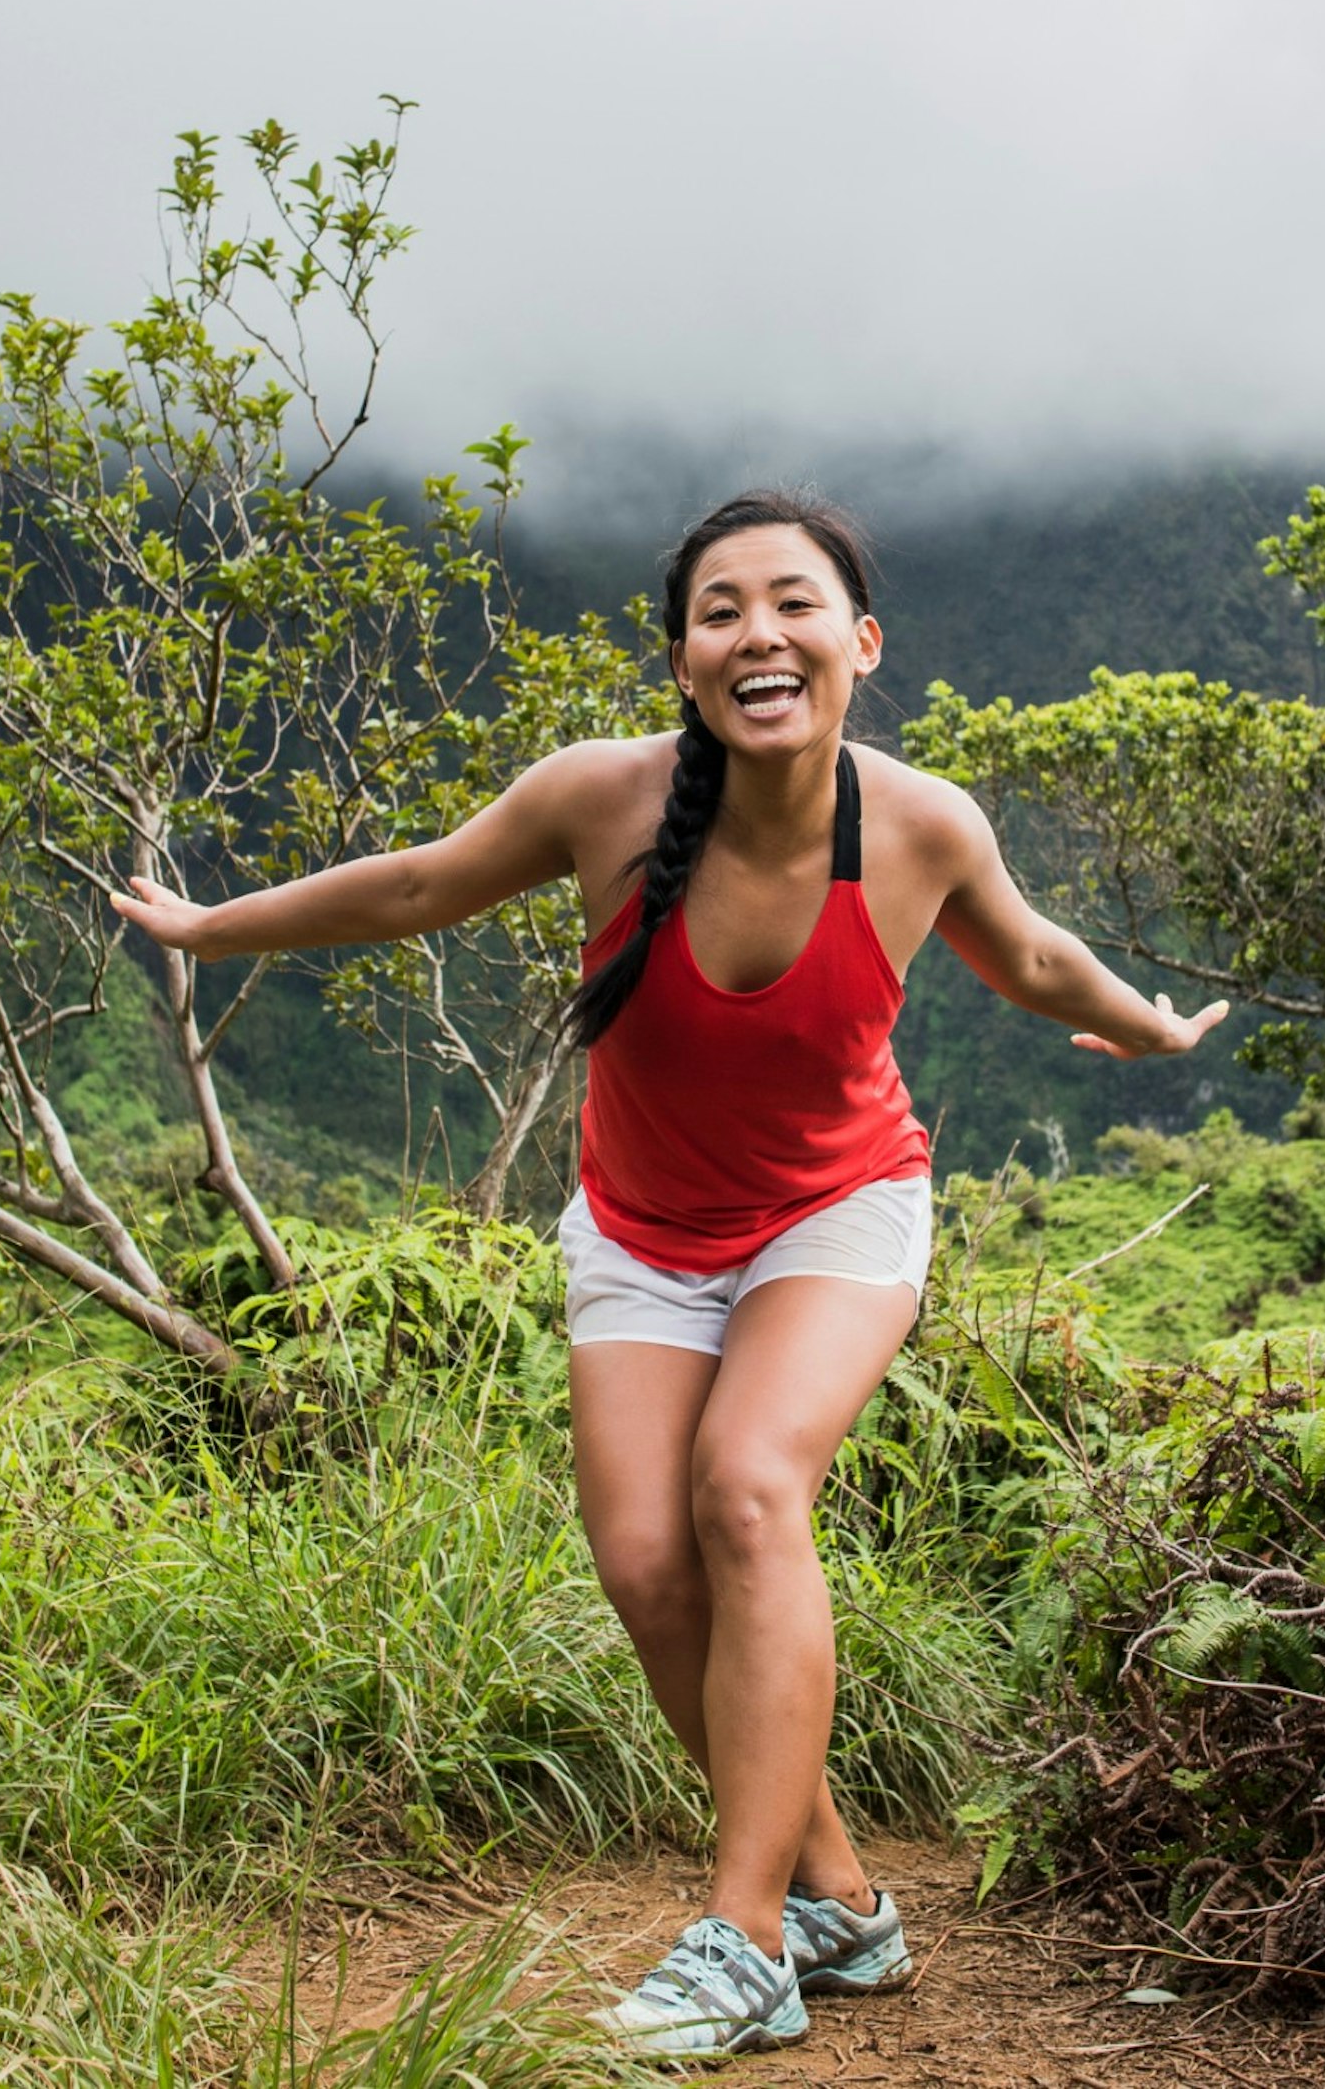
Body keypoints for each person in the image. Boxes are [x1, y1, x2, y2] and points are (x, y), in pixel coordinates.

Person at [112, 489, 1227, 2059]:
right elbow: (421, 885)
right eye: (720, 612)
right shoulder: (603, 805)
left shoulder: (919, 826)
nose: (758, 635)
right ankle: (840, 1896)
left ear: (861, 642)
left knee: (750, 1490)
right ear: (686, 659)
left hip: (839, 1217)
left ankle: (745, 1939)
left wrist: (1145, 1020)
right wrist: (209, 928)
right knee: (648, 1567)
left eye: (792, 603)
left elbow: (1033, 956)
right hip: (640, 1231)